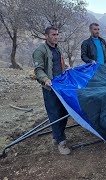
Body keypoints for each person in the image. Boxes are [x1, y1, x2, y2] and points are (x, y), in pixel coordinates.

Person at [33, 26, 70, 155]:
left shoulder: (57, 49)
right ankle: (61, 141)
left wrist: (65, 67)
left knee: (65, 111)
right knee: (54, 114)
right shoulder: (40, 51)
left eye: (57, 34)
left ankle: (57, 135)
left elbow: (56, 64)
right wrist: (45, 79)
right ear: (46, 36)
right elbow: (38, 70)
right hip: (50, 87)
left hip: (61, 87)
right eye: (53, 35)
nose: (56, 37)